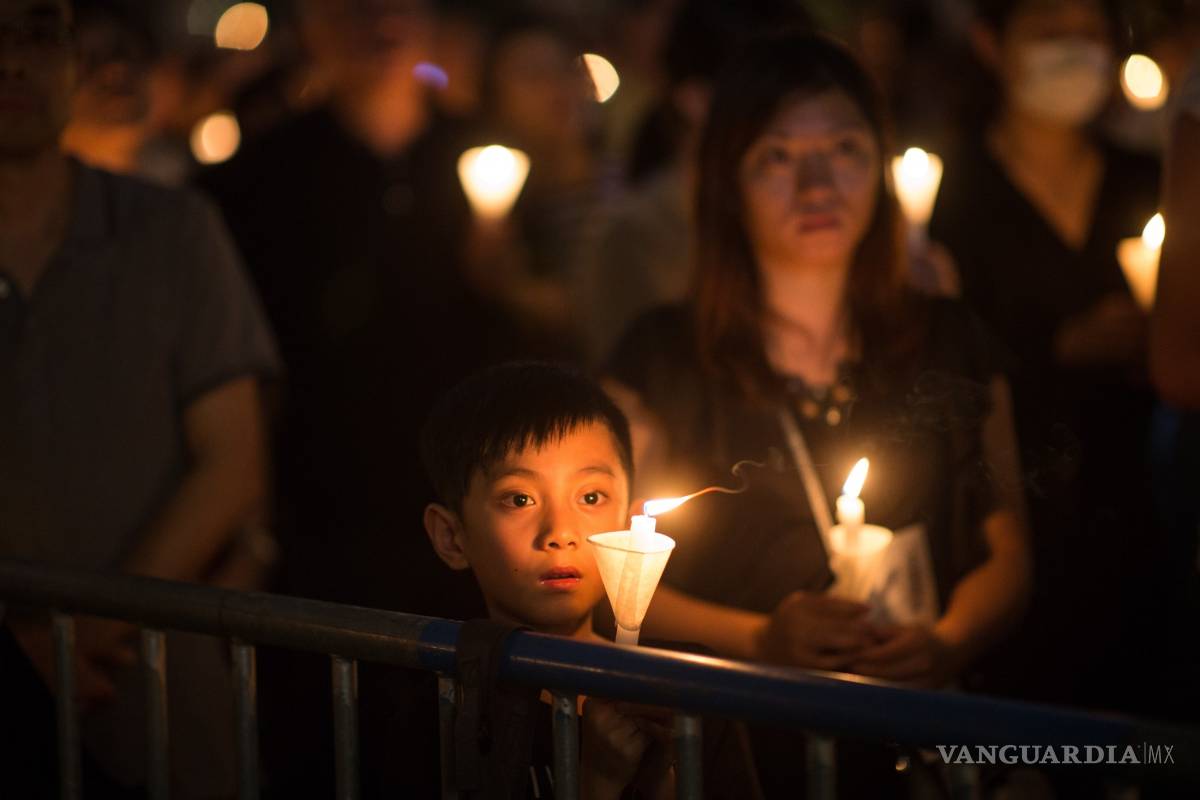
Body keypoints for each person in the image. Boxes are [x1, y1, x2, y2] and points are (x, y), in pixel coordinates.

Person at [603, 31, 1032, 794]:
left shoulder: (950, 340)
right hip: (749, 753)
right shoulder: (664, 360)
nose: (817, 184)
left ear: (881, 162)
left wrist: (946, 641)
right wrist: (760, 639)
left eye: (844, 148)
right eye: (776, 156)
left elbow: (1009, 549)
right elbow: (613, 578)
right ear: (725, 182)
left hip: (922, 744)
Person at [0, 0, 280, 795]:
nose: (13, 61)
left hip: (149, 677)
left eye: (37, 35)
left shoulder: (173, 230)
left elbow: (232, 463)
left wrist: (80, 635)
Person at [929, 0, 1166, 713]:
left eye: (1088, 33)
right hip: (1017, 500)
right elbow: (944, 349)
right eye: (1048, 33)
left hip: (1145, 493)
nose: (1073, 50)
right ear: (991, 44)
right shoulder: (956, 189)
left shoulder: (1147, 177)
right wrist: (1058, 346)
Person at [419, 361, 757, 799]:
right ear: (452, 537)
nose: (561, 533)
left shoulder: (692, 689)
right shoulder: (442, 705)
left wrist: (660, 780)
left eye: (591, 497)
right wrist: (597, 782)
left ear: (630, 522)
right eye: (519, 499)